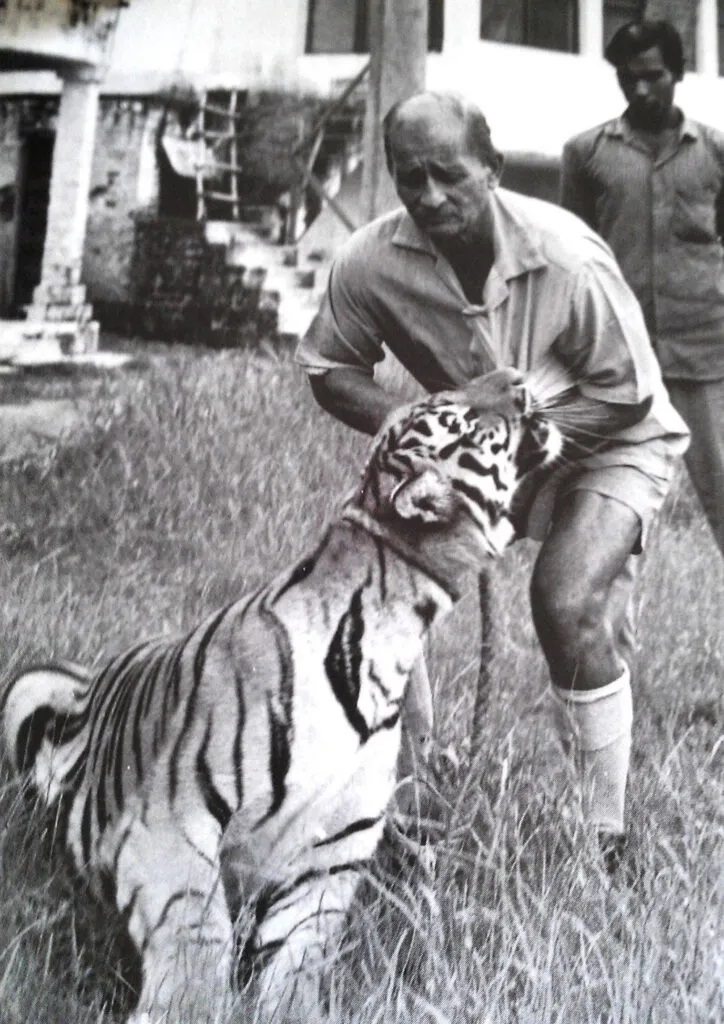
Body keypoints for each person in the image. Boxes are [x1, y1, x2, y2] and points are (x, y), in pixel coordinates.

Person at [295, 91, 689, 864]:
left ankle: (605, 842)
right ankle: (403, 799)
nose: (430, 195)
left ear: (494, 169)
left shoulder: (568, 256)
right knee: (378, 586)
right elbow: (329, 369)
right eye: (411, 178)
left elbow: (625, 392)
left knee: (565, 599)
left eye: (450, 174)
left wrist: (512, 446)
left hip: (612, 437)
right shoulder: (371, 261)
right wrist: (432, 424)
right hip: (479, 445)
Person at [561, 18, 724, 557]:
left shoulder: (716, 153)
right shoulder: (586, 154)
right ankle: (606, 631)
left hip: (704, 352)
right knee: (609, 507)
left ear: (678, 73)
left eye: (652, 76)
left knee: (722, 493)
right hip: (617, 359)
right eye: (627, 78)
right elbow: (572, 259)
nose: (639, 89)